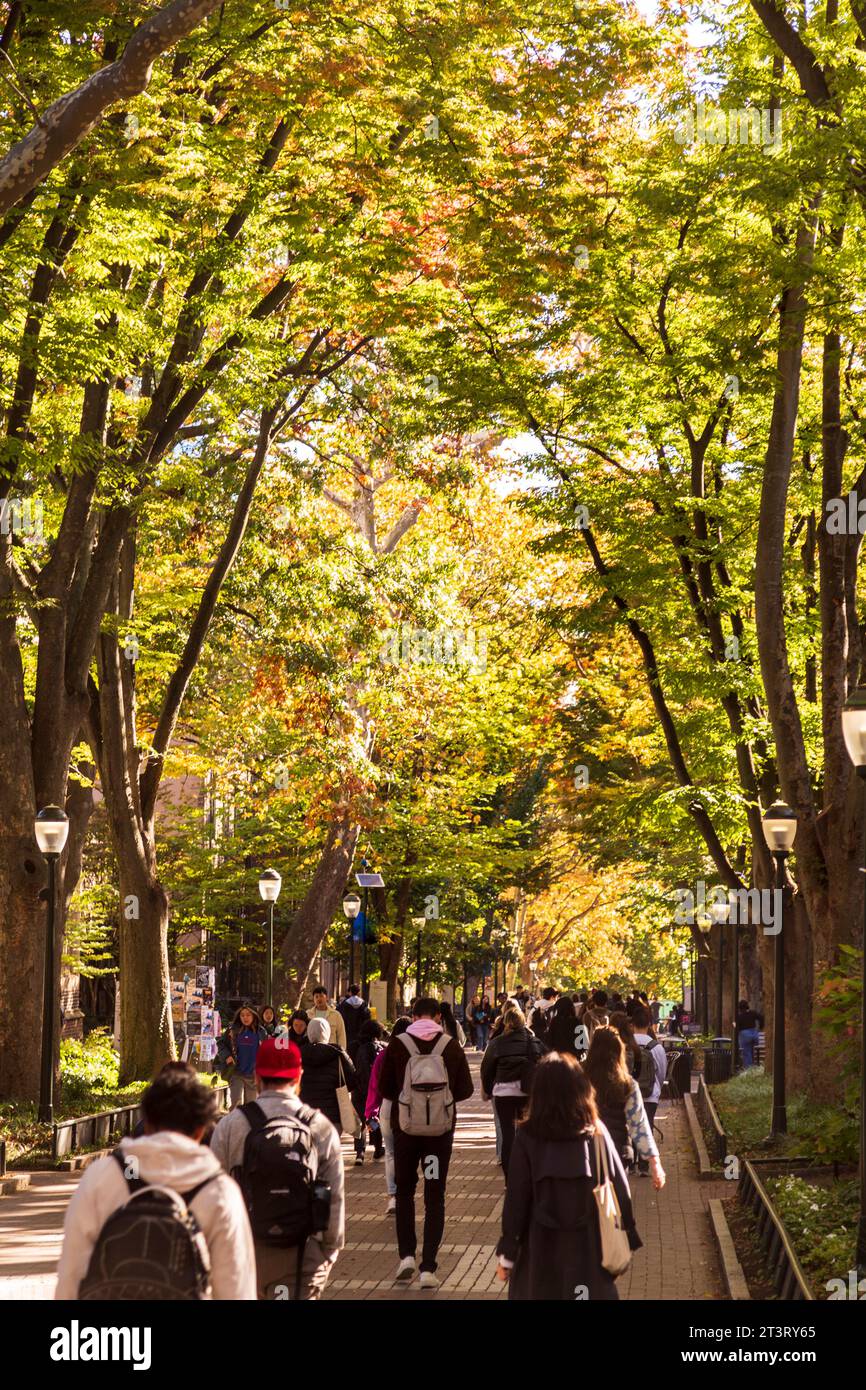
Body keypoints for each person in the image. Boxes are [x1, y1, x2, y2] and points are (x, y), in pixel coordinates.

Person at [56, 1067, 256, 1300]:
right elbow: (235, 1287)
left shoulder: (102, 1176)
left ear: (146, 1122)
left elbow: (71, 1272)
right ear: (202, 1131)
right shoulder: (220, 1192)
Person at [495, 1053, 641, 1300]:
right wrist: (627, 1234)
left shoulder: (527, 1137)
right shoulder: (595, 1133)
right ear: (581, 1090)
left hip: (538, 1254)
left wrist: (508, 1255)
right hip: (589, 1250)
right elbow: (620, 1187)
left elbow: (516, 1200)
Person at [210, 1037, 345, 1300]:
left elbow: (213, 1194)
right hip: (302, 1257)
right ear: (299, 1077)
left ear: (257, 1076)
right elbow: (335, 1198)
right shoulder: (320, 1127)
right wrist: (325, 1256)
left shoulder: (231, 1126)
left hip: (243, 1257)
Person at [379, 996, 474, 1289]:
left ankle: (406, 1256)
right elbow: (465, 1090)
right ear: (437, 1016)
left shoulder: (397, 1045)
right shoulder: (450, 1046)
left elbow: (385, 1088)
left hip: (406, 1134)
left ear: (413, 1015)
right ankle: (428, 1267)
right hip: (438, 1138)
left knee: (405, 1192)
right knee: (435, 1196)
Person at [583, 1026, 666, 1189]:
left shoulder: (578, 1077)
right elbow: (639, 1125)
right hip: (618, 1151)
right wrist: (654, 1163)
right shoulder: (627, 1084)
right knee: (617, 1203)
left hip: (583, 1152)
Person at [481, 1003, 548, 1176]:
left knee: (508, 1134)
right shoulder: (534, 1041)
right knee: (526, 1133)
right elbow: (548, 1064)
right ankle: (526, 1172)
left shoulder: (497, 1043)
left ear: (506, 1022)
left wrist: (488, 1089)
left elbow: (486, 1068)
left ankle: (509, 1177)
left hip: (504, 1093)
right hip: (527, 1093)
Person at [366, 1016, 411, 1215]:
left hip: (387, 1105)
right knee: (408, 1152)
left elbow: (374, 1086)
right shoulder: (413, 1054)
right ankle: (405, 1193)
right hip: (409, 1107)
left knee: (391, 1152)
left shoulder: (383, 1055)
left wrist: (370, 1112)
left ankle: (393, 1196)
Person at [299, 1017, 358, 1135]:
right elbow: (352, 1081)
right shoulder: (338, 1054)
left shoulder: (298, 1055)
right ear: (327, 1033)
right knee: (331, 1152)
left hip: (305, 1116)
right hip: (333, 1117)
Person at [632, 1006, 667, 1173]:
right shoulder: (656, 1047)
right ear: (649, 1024)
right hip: (650, 1094)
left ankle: (630, 1164)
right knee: (647, 1126)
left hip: (629, 1093)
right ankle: (644, 1165)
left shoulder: (624, 1044)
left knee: (630, 1126)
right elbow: (661, 1073)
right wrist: (656, 1088)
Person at [217, 1003, 269, 1108]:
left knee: (251, 1106)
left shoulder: (261, 1032)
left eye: (248, 1015)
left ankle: (248, 1124)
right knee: (236, 1104)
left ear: (254, 1015)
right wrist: (227, 1056)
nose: (245, 1018)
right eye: (242, 1015)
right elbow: (221, 1043)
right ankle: (234, 1124)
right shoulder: (232, 1030)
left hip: (253, 1075)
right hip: (236, 1073)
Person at [352, 1018, 386, 1164]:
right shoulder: (383, 1047)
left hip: (359, 1091)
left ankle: (360, 1152)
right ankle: (378, 1148)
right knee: (373, 1119)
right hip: (376, 1092)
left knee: (359, 1121)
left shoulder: (354, 1047)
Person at [309, 986, 348, 1052]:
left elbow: (341, 1036)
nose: (319, 999)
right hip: (313, 1052)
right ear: (313, 999)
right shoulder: (308, 1014)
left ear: (326, 997)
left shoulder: (336, 1015)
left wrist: (342, 1052)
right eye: (316, 997)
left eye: (321, 996)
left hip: (331, 1052)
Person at [338, 983, 371, 1058]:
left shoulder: (344, 1004)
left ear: (350, 992)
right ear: (359, 992)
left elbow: (341, 1016)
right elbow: (367, 1017)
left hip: (348, 1032)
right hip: (360, 1033)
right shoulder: (363, 1003)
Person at [736, 1000, 764, 1068]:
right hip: (754, 1034)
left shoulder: (739, 1016)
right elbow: (761, 1018)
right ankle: (752, 1066)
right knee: (752, 1050)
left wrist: (734, 1025)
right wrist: (760, 1027)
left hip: (745, 1035)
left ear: (739, 1008)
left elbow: (736, 1026)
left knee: (746, 1052)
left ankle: (749, 1069)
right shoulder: (752, 1013)